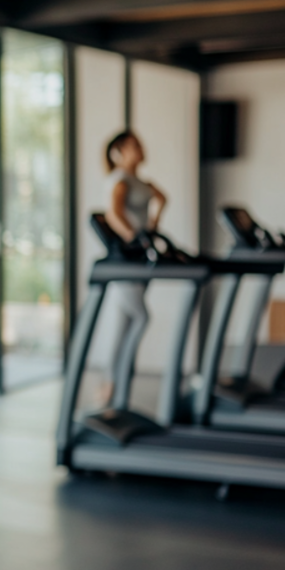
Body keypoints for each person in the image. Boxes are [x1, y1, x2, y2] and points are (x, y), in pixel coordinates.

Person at [100, 130, 166, 406]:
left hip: (140, 258)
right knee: (140, 318)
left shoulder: (142, 181)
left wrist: (152, 226)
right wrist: (133, 237)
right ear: (120, 151)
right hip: (126, 259)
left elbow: (163, 198)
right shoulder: (121, 180)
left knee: (124, 323)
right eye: (135, 145)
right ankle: (112, 384)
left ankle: (115, 390)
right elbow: (112, 214)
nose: (141, 148)